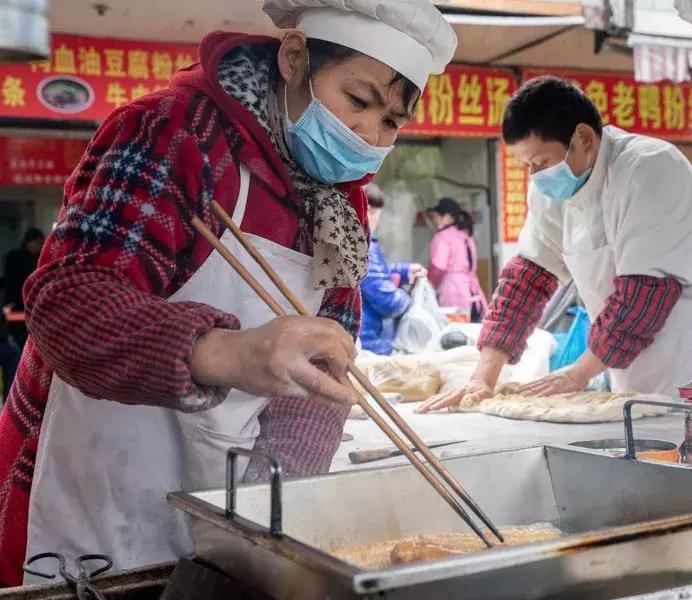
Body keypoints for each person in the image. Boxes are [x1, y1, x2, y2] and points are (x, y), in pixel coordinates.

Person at [0, 0, 455, 585]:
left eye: (391, 122)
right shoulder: (175, 131)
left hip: (223, 501)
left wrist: (277, 501)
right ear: (294, 58)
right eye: (359, 101)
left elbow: (326, 365)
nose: (368, 134)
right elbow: (67, 300)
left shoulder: (342, 204)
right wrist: (227, 354)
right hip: (89, 483)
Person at [418, 76, 692, 414]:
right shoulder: (551, 192)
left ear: (584, 138)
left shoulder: (650, 169)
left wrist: (576, 375)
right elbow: (527, 280)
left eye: (540, 162)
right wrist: (484, 376)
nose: (535, 176)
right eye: (526, 164)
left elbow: (644, 296)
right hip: (632, 362)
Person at [360, 183, 427, 355]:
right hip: (370, 341)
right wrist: (409, 297)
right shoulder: (363, 246)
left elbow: (374, 275)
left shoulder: (363, 242)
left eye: (374, 212)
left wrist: (404, 272)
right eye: (367, 209)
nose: (370, 217)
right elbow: (386, 300)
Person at [426, 197, 488, 322]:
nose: (434, 220)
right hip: (474, 294)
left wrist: (429, 283)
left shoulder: (442, 237)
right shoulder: (466, 235)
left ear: (448, 217)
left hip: (453, 294)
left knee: (454, 336)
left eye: (436, 216)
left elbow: (438, 266)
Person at [3, 228, 44, 311]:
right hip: (21, 301)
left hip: (14, 301)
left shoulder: (13, 256)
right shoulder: (30, 259)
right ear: (33, 242)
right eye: (40, 242)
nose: (42, 246)